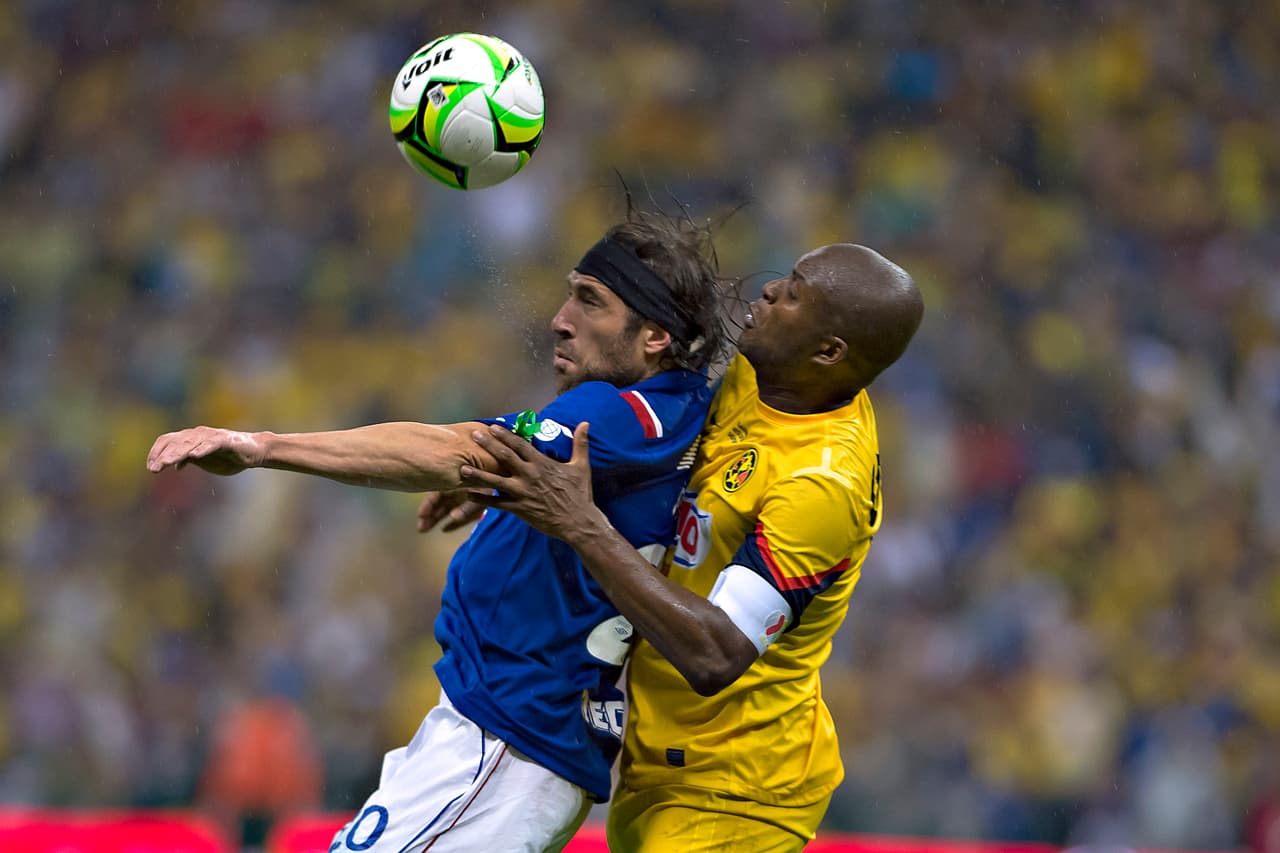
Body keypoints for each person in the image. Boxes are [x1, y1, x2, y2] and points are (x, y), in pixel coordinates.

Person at [145, 212, 732, 853]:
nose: (561, 319)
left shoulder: (614, 415)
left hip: (505, 743)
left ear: (654, 336)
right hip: (505, 736)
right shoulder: (676, 412)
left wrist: (263, 446)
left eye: (591, 302)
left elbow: (453, 450)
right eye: (569, 292)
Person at [447, 242, 923, 852]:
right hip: (660, 763)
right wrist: (528, 475)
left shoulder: (820, 486)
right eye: (785, 277)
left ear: (828, 352)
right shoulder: (767, 372)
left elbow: (715, 655)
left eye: (795, 294)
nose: (770, 291)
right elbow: (662, 448)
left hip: (734, 793)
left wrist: (579, 521)